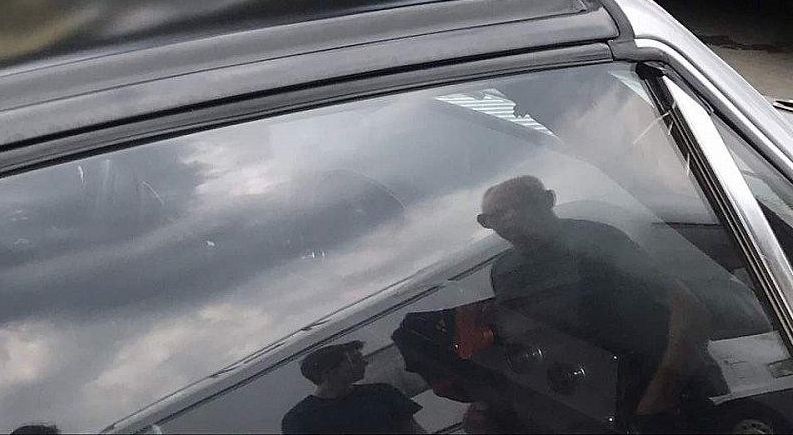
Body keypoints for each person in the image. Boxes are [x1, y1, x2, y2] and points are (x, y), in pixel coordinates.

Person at [477, 175, 711, 432]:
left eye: (522, 204)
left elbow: (688, 309)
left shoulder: (597, 241)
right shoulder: (503, 270)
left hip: (653, 403)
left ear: (548, 200)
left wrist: (657, 401)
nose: (510, 218)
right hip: (580, 410)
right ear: (486, 223)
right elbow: (524, 345)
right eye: (497, 215)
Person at [280, 341, 424, 434]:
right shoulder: (299, 419)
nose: (365, 363)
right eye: (354, 360)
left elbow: (413, 430)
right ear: (328, 372)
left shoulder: (381, 392)